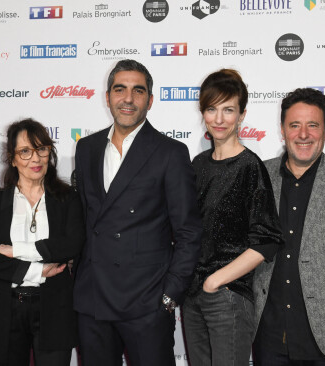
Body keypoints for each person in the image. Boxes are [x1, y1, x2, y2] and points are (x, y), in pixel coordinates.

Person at [73, 59, 202, 366]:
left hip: (146, 303)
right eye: (120, 89)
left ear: (150, 100)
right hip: (93, 301)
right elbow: (82, 218)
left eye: (137, 91)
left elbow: (188, 231)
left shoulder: (170, 152)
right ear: (107, 97)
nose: (128, 99)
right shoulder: (86, 148)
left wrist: (169, 297)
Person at [182, 69, 283, 365]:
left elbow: (267, 241)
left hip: (228, 297)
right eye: (212, 109)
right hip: (192, 297)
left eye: (229, 110)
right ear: (203, 113)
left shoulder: (250, 167)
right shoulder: (198, 164)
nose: (219, 118)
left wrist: (216, 281)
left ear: (242, 115)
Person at [253, 88, 325, 366]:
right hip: (267, 337)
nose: (303, 134)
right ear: (282, 130)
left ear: (324, 131)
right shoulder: (259, 177)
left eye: (313, 125)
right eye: (295, 125)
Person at [0, 119, 84, 366]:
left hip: (55, 308)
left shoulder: (67, 199)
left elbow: (71, 245)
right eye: (25, 151)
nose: (35, 159)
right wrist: (37, 269)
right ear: (12, 159)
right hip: (5, 307)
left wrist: (17, 251)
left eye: (41, 149)